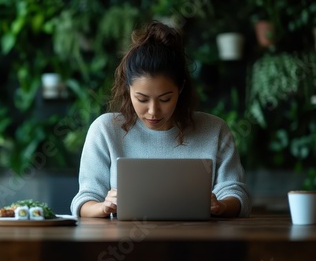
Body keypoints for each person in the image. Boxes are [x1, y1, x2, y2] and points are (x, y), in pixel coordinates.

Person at [70, 20, 251, 218]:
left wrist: (221, 206)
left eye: (165, 99)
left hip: (200, 243)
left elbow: (236, 194)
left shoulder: (214, 129)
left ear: (180, 89)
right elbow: (84, 200)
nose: (153, 111)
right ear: (128, 89)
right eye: (142, 99)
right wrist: (103, 207)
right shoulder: (106, 130)